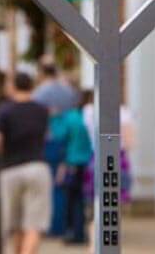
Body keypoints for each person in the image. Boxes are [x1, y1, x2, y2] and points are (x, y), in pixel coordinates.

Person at [0, 71, 51, 254]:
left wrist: (1, 151)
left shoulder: (4, 110)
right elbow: (47, 135)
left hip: (11, 168)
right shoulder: (42, 110)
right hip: (37, 166)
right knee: (34, 224)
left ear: (13, 86)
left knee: (14, 224)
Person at [33, 63, 77, 236]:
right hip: (66, 138)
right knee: (63, 183)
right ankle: (65, 224)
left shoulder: (41, 92)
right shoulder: (68, 92)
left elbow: (36, 116)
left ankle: (53, 226)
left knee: (51, 184)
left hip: (49, 140)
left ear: (43, 73)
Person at [58, 101, 93, 245]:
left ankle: (74, 233)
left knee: (72, 200)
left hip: (72, 162)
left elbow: (60, 136)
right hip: (86, 161)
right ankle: (80, 232)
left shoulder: (69, 118)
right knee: (81, 199)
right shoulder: (84, 117)